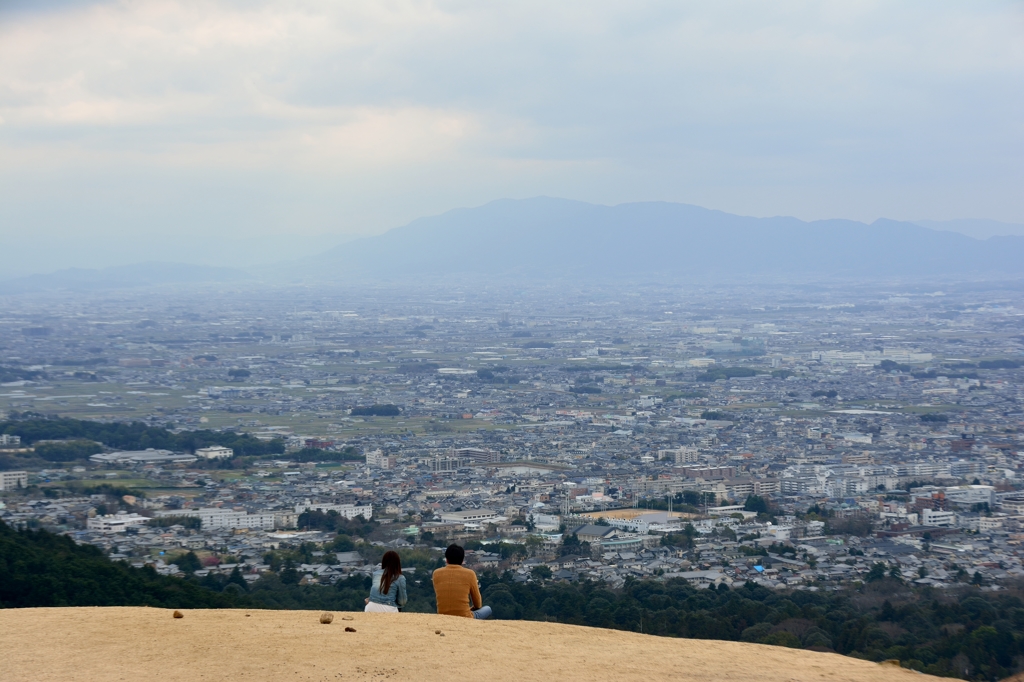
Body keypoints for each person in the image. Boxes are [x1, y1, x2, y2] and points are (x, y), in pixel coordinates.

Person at [432, 544, 492, 619]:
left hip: (442, 616)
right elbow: (478, 604)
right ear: (462, 560)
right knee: (488, 609)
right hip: (465, 617)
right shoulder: (470, 574)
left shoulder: (436, 573)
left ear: (446, 559)